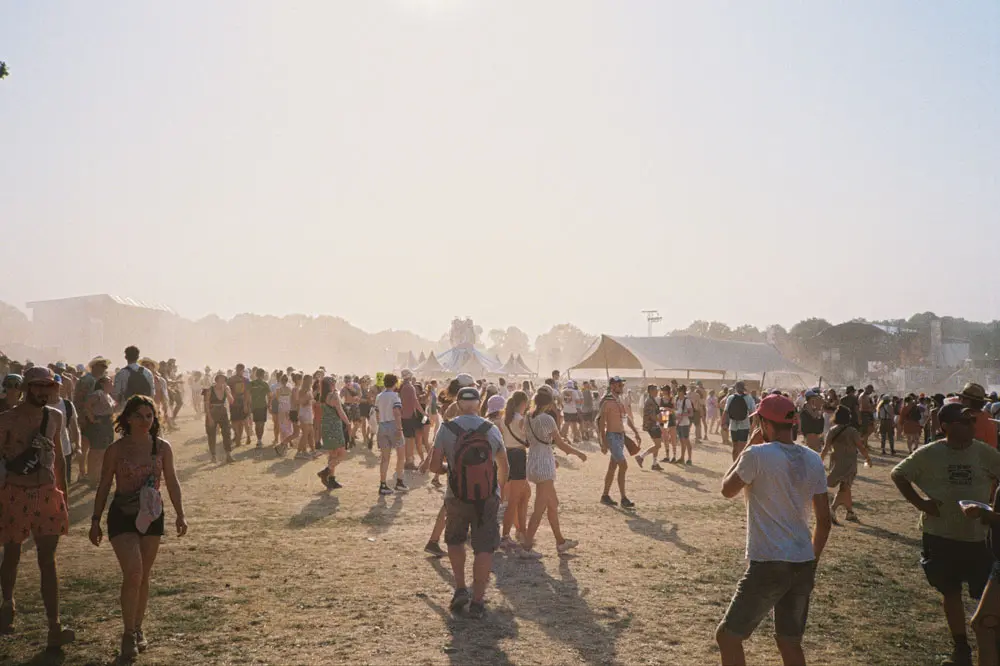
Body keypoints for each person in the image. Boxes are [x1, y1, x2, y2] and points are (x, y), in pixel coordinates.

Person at [717, 394, 832, 666]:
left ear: (765, 424)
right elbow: (825, 521)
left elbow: (727, 489)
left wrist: (747, 446)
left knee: (729, 637)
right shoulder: (813, 458)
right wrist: (812, 560)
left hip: (770, 562)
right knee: (789, 641)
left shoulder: (757, 454)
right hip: (802, 560)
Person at [891, 403, 1000, 666]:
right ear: (946, 428)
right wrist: (922, 504)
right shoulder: (930, 453)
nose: (971, 426)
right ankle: (960, 648)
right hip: (941, 535)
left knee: (983, 597)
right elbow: (899, 474)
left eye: (971, 421)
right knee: (949, 591)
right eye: (964, 422)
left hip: (978, 537)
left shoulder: (985, 453)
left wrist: (991, 510)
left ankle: (989, 646)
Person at [89, 395, 187, 663]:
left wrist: (180, 514)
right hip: (122, 514)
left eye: (150, 416)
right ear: (128, 418)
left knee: (143, 575)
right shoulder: (116, 450)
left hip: (152, 515)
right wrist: (95, 519)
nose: (145, 421)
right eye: (140, 415)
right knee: (133, 572)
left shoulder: (162, 448)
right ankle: (128, 633)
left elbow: (173, 481)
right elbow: (104, 485)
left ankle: (138, 627)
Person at [0, 367, 75, 648]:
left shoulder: (54, 416)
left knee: (48, 561)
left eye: (48, 387)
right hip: (15, 494)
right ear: (27, 388)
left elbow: (59, 458)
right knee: (12, 554)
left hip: (47, 494)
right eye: (38, 386)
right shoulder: (6, 420)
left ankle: (54, 625)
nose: (43, 392)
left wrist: (63, 493)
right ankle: (8, 602)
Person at [428, 386, 509, 619]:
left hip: (456, 495)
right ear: (479, 402)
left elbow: (434, 466)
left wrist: (447, 469)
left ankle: (461, 587)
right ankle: (478, 601)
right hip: (487, 497)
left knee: (455, 540)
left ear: (459, 403)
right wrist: (499, 491)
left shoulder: (447, 428)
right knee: (484, 547)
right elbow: (504, 465)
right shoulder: (490, 429)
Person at [519, 389, 587, 558]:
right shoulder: (547, 419)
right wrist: (578, 453)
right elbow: (561, 443)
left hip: (534, 461)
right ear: (549, 403)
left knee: (552, 503)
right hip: (544, 464)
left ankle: (560, 541)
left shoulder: (528, 417)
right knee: (540, 508)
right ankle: (527, 546)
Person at [820, 406, 872, 524]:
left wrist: (820, 461)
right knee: (845, 487)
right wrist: (868, 458)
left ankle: (850, 512)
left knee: (846, 487)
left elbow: (826, 448)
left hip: (836, 461)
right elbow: (861, 446)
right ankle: (832, 509)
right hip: (849, 462)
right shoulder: (852, 431)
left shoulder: (832, 430)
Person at [597, 377, 640, 509]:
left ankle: (605, 495)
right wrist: (603, 443)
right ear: (612, 386)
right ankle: (623, 498)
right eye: (619, 385)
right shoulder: (607, 402)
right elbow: (601, 423)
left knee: (612, 468)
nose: (622, 387)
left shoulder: (619, 401)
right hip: (612, 437)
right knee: (623, 465)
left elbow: (626, 419)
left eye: (622, 385)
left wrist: (635, 431)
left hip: (621, 437)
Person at [499, 391, 531, 549]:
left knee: (524, 494)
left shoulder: (504, 419)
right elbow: (529, 439)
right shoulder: (521, 420)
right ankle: (506, 535)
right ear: (523, 403)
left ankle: (520, 530)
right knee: (514, 499)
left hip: (507, 455)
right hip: (518, 456)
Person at [375, 373, 407, 495]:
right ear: (395, 383)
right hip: (393, 425)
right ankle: (399, 481)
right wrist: (399, 429)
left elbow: (377, 412)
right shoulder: (395, 396)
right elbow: (396, 412)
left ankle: (383, 484)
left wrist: (380, 424)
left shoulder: (379, 396)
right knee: (400, 455)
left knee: (384, 458)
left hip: (382, 425)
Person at [317, 377, 350, 490]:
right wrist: (348, 423)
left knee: (333, 454)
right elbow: (340, 411)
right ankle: (326, 472)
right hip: (335, 427)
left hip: (326, 426)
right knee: (342, 454)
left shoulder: (323, 396)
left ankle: (331, 479)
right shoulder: (333, 395)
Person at [48, 375, 81, 486]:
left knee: (63, 483)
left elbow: (75, 427)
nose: (53, 389)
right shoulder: (40, 404)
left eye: (56, 386)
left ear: (60, 387)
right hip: (44, 453)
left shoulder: (67, 405)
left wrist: (78, 446)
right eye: (51, 385)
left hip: (64, 450)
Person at [84, 376, 117, 485]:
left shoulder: (107, 395)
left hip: (107, 424)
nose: (112, 383)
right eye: (110, 381)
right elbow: (87, 405)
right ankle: (93, 476)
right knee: (96, 451)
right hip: (99, 424)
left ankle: (101, 475)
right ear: (102, 383)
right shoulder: (98, 393)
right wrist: (92, 419)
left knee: (106, 450)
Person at [204, 373, 234, 464]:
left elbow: (231, 401)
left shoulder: (226, 388)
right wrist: (209, 417)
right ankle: (213, 455)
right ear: (216, 380)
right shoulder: (210, 390)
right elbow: (206, 405)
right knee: (211, 434)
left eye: (224, 379)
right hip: (212, 412)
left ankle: (228, 455)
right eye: (220, 379)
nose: (222, 381)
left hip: (222, 411)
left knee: (227, 432)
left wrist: (227, 391)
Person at [635, 384, 665, 471]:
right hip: (652, 425)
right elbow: (652, 416)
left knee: (657, 445)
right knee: (658, 445)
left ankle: (654, 463)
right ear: (651, 391)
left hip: (653, 425)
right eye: (655, 390)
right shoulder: (650, 401)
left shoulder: (652, 400)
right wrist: (662, 421)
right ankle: (641, 457)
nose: (657, 392)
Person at [960, 383, 998, 449]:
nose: (960, 400)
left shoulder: (967, 419)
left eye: (962, 398)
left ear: (968, 401)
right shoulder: (988, 417)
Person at [725, 382, 756, 460]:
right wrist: (753, 425)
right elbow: (753, 412)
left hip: (733, 426)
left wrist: (724, 423)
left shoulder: (730, 397)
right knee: (741, 448)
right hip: (744, 425)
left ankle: (734, 465)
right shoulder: (749, 398)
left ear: (735, 388)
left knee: (735, 447)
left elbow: (726, 412)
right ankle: (739, 466)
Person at [399, 369, 421, 471]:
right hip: (410, 416)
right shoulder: (410, 387)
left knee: (407, 439)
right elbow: (415, 402)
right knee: (410, 440)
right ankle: (409, 462)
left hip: (403, 416)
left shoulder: (402, 387)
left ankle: (407, 460)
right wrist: (423, 413)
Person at [228, 364, 252, 448]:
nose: (239, 371)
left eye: (240, 369)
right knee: (235, 422)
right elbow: (227, 391)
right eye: (238, 369)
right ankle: (238, 437)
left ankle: (242, 438)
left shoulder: (245, 380)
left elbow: (247, 393)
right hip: (234, 403)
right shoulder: (231, 380)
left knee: (242, 422)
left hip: (241, 403)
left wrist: (246, 404)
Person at [248, 369, 271, 451]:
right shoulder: (254, 383)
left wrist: (269, 404)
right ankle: (259, 440)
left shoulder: (262, 384)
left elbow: (269, 395)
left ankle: (259, 440)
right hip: (259, 406)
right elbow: (269, 396)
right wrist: (269, 404)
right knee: (260, 424)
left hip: (258, 406)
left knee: (259, 424)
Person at [674, 385, 695, 465]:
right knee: (682, 442)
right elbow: (677, 410)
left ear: (683, 392)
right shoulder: (677, 399)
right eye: (678, 391)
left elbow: (691, 413)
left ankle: (689, 459)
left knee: (687, 441)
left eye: (680, 391)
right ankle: (682, 458)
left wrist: (682, 415)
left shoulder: (687, 401)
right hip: (679, 423)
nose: (678, 393)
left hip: (685, 423)